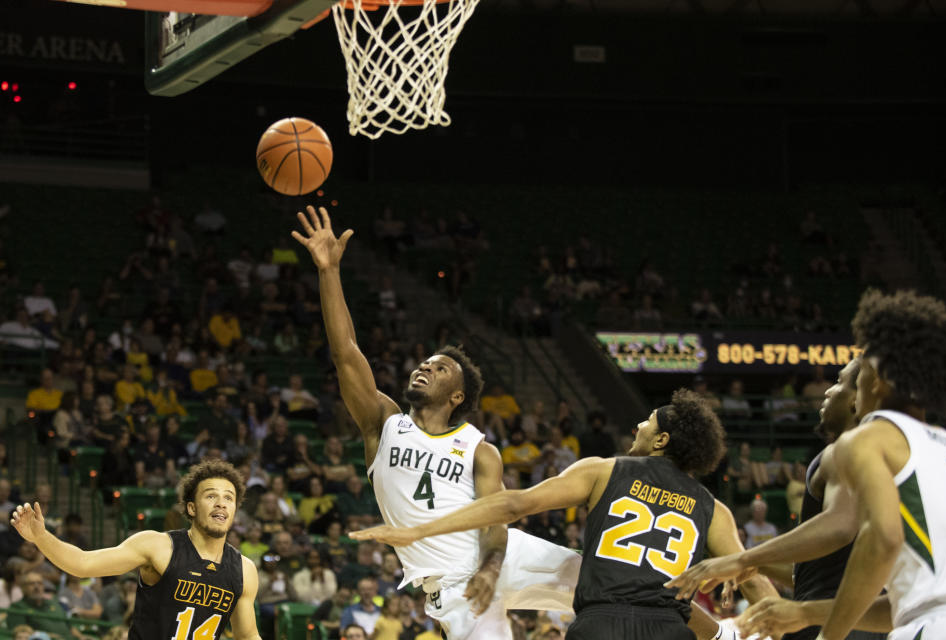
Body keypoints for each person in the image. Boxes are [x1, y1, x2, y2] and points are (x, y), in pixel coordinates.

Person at [292, 206, 582, 639]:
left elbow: (494, 521)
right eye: (424, 363)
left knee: (617, 583)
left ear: (457, 396)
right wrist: (329, 271)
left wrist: (490, 568)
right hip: (453, 586)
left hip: (500, 556)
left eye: (440, 368)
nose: (424, 367)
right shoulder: (383, 423)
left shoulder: (480, 449)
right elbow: (346, 352)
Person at [351, 388, 778, 640]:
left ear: (662, 439)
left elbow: (514, 504)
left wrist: (424, 529)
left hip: (601, 623)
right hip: (667, 628)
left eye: (647, 423)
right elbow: (756, 579)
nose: (638, 427)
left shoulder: (604, 469)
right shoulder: (713, 508)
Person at [736, 290, 946, 640]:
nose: (835, 390)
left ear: (878, 380)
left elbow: (862, 532)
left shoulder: (868, 442)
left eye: (851, 379)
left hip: (918, 625)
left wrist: (828, 632)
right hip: (903, 614)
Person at [668, 357, 886, 640]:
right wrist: (755, 563)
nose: (828, 391)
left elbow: (839, 527)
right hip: (868, 621)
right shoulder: (884, 459)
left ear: (857, 398)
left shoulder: (842, 452)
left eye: (839, 382)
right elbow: (822, 570)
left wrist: (745, 557)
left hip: (833, 624)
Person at [9, 459, 262, 640]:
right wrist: (41, 537)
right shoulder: (158, 546)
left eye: (229, 497)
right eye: (210, 496)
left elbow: (248, 634)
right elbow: (82, 564)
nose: (221, 503)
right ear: (192, 508)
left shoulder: (244, 570)